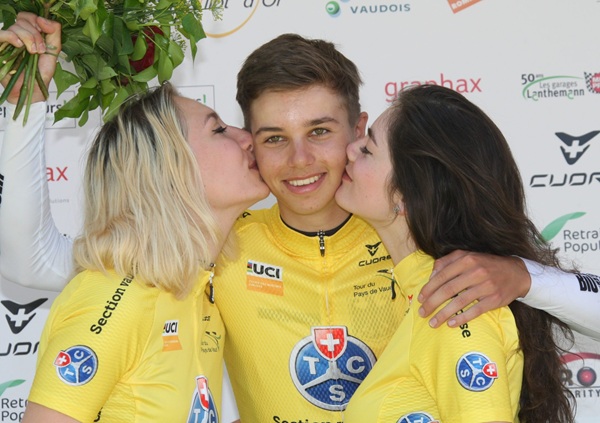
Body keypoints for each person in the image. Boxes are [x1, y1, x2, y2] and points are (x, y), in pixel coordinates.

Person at [1, 28, 598, 421]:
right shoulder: (215, 248)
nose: (300, 160)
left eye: (320, 131)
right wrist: (24, 102)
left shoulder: (436, 257)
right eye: (272, 138)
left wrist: (526, 277)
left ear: (358, 131)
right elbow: (36, 262)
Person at [2, 15, 269, 423]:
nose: (248, 137)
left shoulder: (198, 283)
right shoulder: (115, 295)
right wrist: (26, 102)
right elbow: (28, 254)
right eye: (218, 130)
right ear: (168, 171)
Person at [337, 84, 574, 422]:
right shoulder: (434, 293)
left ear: (407, 195)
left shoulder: (455, 306)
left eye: (368, 149)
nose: (350, 149)